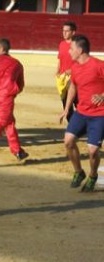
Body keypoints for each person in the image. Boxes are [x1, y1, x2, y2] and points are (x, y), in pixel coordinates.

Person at [60, 34, 104, 192]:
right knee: (68, 141)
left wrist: (103, 96)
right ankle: (79, 172)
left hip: (100, 114)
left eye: (71, 48)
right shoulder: (75, 67)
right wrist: (66, 109)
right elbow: (73, 87)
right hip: (82, 112)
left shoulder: (99, 65)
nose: (69, 51)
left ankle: (92, 176)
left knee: (93, 151)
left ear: (80, 49)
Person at [56, 22, 78, 121]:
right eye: (63, 31)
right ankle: (74, 127)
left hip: (75, 77)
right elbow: (60, 59)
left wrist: (72, 70)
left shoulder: (77, 45)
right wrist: (57, 71)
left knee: (78, 102)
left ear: (73, 32)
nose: (64, 33)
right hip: (63, 78)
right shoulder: (61, 44)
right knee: (66, 104)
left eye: (67, 31)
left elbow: (82, 61)